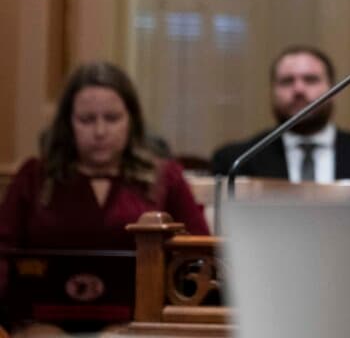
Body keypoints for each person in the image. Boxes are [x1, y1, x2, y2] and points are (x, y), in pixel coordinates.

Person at [0, 62, 209, 329]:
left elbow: (198, 256)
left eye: (112, 118)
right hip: (41, 325)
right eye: (87, 120)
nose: (100, 132)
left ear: (131, 120)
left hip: (140, 326)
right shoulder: (34, 177)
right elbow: (3, 255)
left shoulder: (165, 177)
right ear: (68, 124)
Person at [211, 45, 350, 181]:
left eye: (310, 80)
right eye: (287, 81)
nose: (299, 89)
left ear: (333, 89)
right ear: (272, 92)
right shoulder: (236, 161)